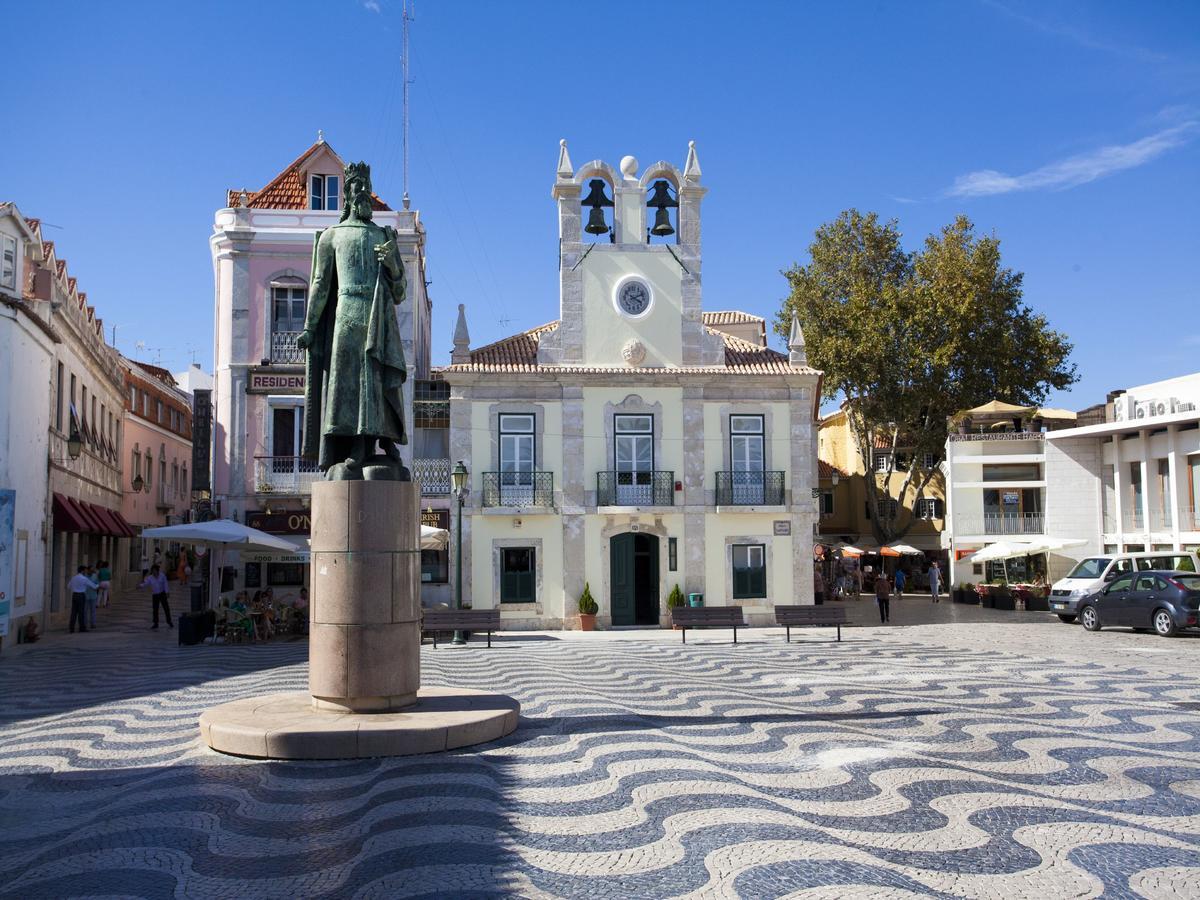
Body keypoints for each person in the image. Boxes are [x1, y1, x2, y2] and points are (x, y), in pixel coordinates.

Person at [139, 564, 173, 629]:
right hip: (155, 595)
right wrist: (140, 586)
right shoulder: (150, 577)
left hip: (162, 594)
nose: (154, 572)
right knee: (155, 610)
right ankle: (155, 623)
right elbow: (146, 583)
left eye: (155, 570)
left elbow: (165, 584)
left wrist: (167, 592)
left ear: (157, 571)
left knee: (166, 608)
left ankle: (169, 621)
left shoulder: (162, 575)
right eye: (153, 571)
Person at [67, 565, 98, 633]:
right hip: (81, 595)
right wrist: (99, 585)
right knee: (81, 612)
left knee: (74, 612)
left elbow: (68, 586)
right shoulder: (84, 579)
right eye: (85, 570)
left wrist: (75, 588)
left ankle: (71, 628)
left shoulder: (73, 578)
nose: (86, 571)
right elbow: (94, 586)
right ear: (82, 571)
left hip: (74, 595)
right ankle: (82, 627)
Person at [84, 565, 101, 630]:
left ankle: (93, 623)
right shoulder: (84, 577)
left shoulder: (95, 576)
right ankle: (85, 624)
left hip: (93, 595)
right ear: (88, 570)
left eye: (92, 570)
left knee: (93, 610)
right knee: (85, 611)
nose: (91, 571)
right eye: (90, 570)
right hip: (86, 595)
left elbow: (98, 584)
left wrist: (96, 586)